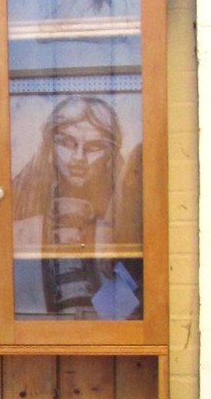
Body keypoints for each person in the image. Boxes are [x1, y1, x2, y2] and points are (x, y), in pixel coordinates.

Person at [12, 95, 142, 320]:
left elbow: (122, 306)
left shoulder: (125, 223)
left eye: (93, 147)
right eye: (67, 143)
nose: (78, 158)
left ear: (110, 156)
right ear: (50, 146)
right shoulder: (21, 225)